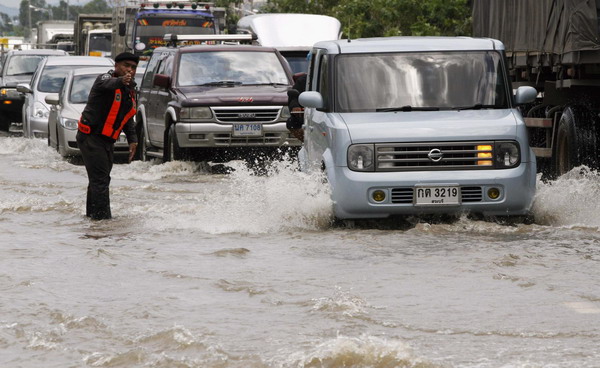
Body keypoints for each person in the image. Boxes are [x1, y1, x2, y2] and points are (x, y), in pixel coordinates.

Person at [76, 52, 139, 220]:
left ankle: (92, 218)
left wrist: (132, 139)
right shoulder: (104, 79)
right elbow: (107, 84)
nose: (129, 70)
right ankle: (103, 223)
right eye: (126, 66)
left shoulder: (130, 89)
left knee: (98, 180)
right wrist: (120, 81)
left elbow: (127, 118)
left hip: (107, 140)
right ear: (116, 66)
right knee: (101, 181)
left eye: (133, 67)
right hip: (91, 137)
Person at [286, 73, 307, 142]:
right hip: (310, 115)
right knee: (292, 122)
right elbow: (294, 97)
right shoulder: (305, 80)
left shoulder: (339, 78)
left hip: (332, 113)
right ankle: (307, 142)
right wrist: (295, 106)